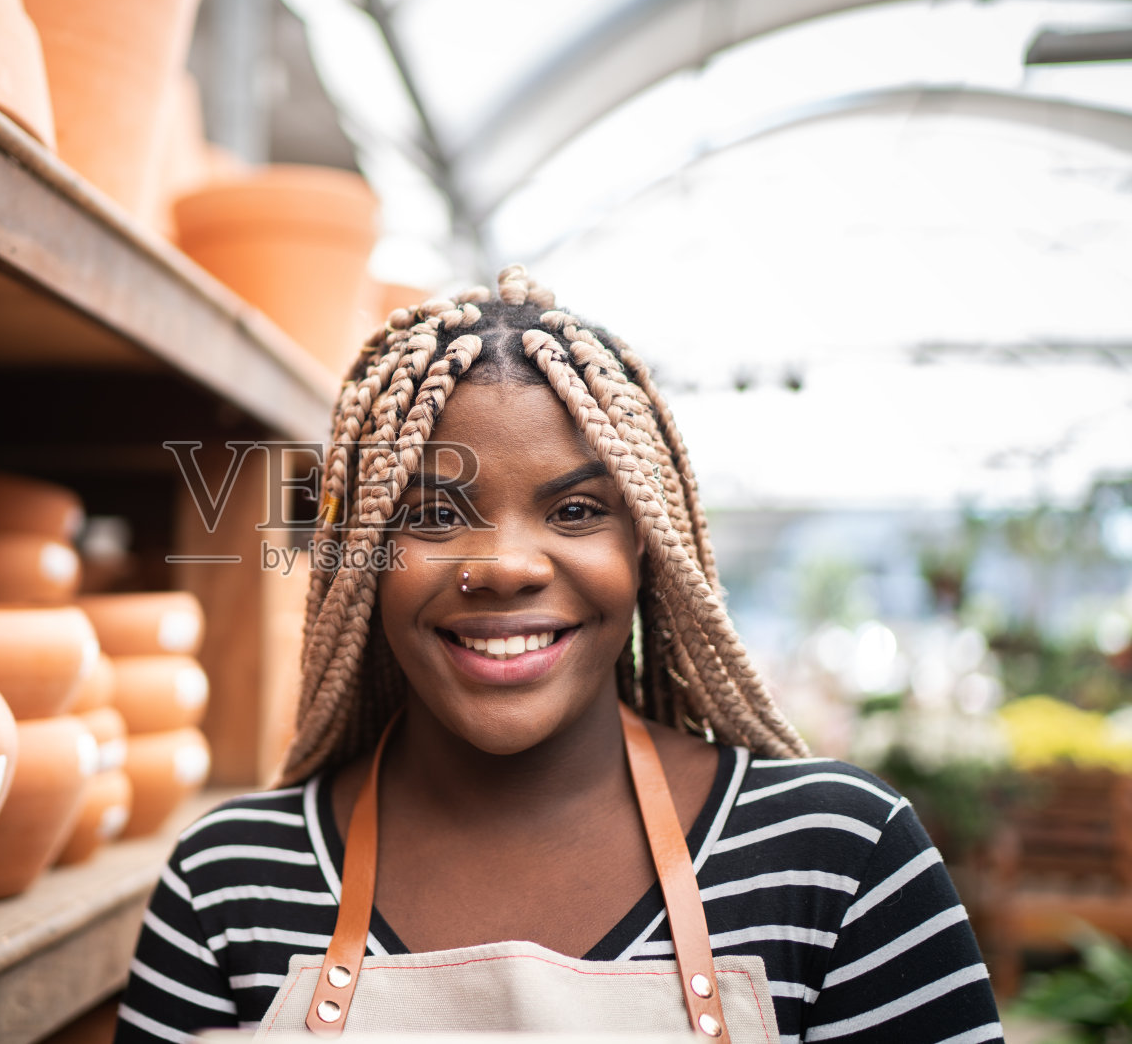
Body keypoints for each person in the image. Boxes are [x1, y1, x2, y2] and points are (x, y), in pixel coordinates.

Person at [115, 267, 1001, 1042]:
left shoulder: (839, 857)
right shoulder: (226, 883)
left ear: (646, 545)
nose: (506, 566)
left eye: (576, 511)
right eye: (434, 514)